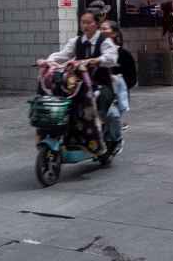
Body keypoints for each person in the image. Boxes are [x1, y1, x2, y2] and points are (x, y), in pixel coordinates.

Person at [48, 9, 121, 155]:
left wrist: (97, 60)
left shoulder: (104, 42)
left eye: (89, 22)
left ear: (96, 24)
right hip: (78, 86)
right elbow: (63, 55)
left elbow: (111, 58)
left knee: (104, 112)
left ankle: (112, 139)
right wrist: (48, 61)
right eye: (82, 22)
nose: (85, 26)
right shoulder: (76, 41)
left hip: (101, 84)